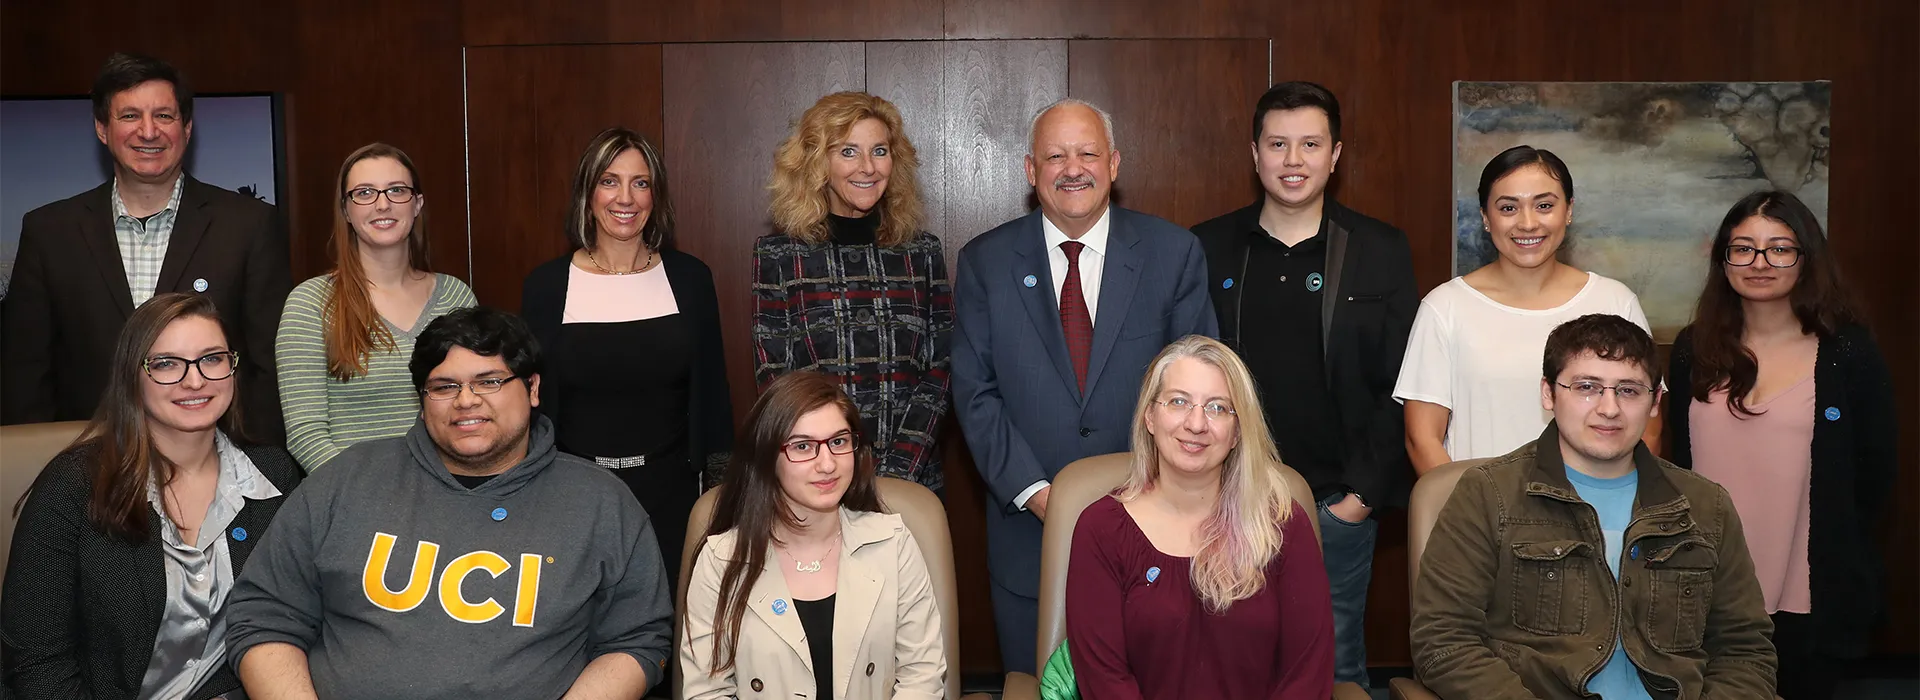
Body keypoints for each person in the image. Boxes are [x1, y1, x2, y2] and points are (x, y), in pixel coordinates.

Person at [226, 306, 674, 699]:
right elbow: (264, 616)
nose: (466, 401)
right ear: (421, 401)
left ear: (533, 389)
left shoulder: (599, 502)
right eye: (443, 386)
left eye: (490, 381)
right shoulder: (344, 481)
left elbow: (638, 640)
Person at [951, 98, 1217, 674]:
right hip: (1030, 537)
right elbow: (974, 394)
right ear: (1030, 171)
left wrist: (1148, 494)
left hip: (1159, 529)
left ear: (1115, 163)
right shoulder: (985, 262)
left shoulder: (1173, 255)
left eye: (1088, 153)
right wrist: (1041, 494)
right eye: (1055, 156)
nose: (1073, 168)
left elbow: (1199, 392)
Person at [1412, 313, 1776, 699]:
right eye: (1587, 387)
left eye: (1629, 390)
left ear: (1655, 402)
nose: (1609, 408)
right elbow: (1443, 641)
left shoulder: (1705, 506)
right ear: (1548, 394)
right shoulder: (1488, 495)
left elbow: (1745, 650)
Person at [1191, 81, 1415, 690]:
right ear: (1254, 152)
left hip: (1335, 505)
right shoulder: (1206, 247)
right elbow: (1183, 371)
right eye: (1278, 144)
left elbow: (1402, 383)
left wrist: (1359, 501)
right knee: (1224, 664)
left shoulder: (1380, 249)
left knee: (1333, 669)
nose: (1293, 161)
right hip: (1223, 499)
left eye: (1310, 144)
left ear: (1336, 154)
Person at [2, 292, 304, 700]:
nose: (195, 380)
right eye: (166, 364)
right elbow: (37, 663)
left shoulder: (275, 476)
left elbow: (302, 621)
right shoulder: (72, 486)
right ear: (132, 375)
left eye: (212, 359)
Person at [1665, 191, 1894, 700]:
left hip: (1807, 597)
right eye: (1743, 248)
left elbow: (1874, 475)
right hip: (1703, 591)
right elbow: (1675, 461)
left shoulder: (1847, 352)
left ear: (1806, 256)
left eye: (1779, 248)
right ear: (1723, 260)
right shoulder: (1692, 349)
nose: (1760, 262)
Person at [1, 52, 291, 442]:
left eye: (164, 116)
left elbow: (269, 365)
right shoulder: (50, 231)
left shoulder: (248, 225)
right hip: (87, 466)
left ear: (187, 128)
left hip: (217, 463)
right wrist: (45, 466)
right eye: (130, 116)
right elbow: (25, 373)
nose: (149, 131)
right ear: (102, 128)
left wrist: (255, 461)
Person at [1065, 336, 1334, 699]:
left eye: (1218, 408)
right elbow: (1105, 680)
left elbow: (1308, 674)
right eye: (1178, 402)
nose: (1196, 424)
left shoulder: (1284, 525)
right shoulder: (1100, 530)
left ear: (1238, 432)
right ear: (1149, 416)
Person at [521, 127, 733, 572]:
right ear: (588, 192)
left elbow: (714, 400)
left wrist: (722, 504)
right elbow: (530, 407)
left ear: (656, 196)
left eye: (640, 183)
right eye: (609, 181)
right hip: (571, 496)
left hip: (672, 498)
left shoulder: (691, 279)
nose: (626, 198)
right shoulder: (545, 286)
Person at [679, 371, 946, 700]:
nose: (827, 464)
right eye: (803, 446)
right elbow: (707, 692)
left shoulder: (893, 544)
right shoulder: (721, 561)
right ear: (766, 458)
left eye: (838, 441)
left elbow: (923, 675)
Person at [1395, 145, 1650, 473]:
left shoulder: (1616, 302)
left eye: (1544, 205)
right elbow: (1422, 439)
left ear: (1569, 211)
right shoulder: (1444, 307)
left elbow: (1645, 425)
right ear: (1486, 218)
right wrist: (1472, 516)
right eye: (1508, 208)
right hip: (1479, 515)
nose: (1528, 223)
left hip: (1594, 515)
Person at [754, 91, 954, 495]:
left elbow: (943, 368)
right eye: (848, 151)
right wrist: (829, 463)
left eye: (879, 151)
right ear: (817, 163)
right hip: (816, 479)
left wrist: (898, 469)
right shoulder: (779, 256)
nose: (867, 167)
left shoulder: (921, 251)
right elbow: (775, 376)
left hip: (912, 480)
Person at [275, 143, 476, 471]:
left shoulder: (457, 297)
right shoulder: (310, 304)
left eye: (397, 191)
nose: (383, 204)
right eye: (365, 193)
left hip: (451, 497)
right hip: (354, 501)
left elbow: (472, 411)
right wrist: (373, 499)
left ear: (417, 204)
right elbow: (306, 436)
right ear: (346, 211)